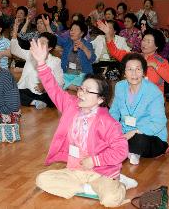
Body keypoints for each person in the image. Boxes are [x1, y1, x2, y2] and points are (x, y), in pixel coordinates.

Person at [30, 38, 129, 208]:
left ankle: (116, 184)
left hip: (100, 173)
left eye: (87, 91)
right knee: (41, 179)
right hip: (75, 171)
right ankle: (87, 189)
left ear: (100, 99)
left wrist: (96, 161)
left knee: (111, 200)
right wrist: (41, 62)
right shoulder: (71, 105)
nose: (81, 93)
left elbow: (122, 151)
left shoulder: (108, 122)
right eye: (81, 88)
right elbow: (53, 88)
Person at [110, 53, 168, 165]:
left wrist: (135, 131)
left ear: (143, 72)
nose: (134, 73)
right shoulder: (120, 86)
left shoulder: (154, 92)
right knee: (104, 131)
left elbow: (159, 122)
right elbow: (114, 111)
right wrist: (113, 128)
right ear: (124, 73)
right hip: (124, 132)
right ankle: (126, 149)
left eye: (138, 69)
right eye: (130, 69)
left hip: (150, 136)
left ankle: (123, 148)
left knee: (139, 140)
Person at [98, 21, 169, 94]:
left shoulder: (161, 62)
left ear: (157, 46)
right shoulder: (134, 57)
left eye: (148, 42)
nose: (144, 43)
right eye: (144, 40)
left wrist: (154, 65)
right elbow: (115, 52)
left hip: (153, 100)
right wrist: (108, 34)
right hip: (133, 98)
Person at [11, 30, 63, 109]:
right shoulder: (30, 53)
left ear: (50, 48)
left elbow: (60, 83)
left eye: (42, 43)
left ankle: (38, 101)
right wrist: (14, 37)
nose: (38, 45)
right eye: (38, 42)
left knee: (55, 98)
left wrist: (45, 87)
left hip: (44, 94)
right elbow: (15, 50)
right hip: (28, 91)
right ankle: (34, 102)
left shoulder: (55, 61)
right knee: (13, 92)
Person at [55, 21, 96, 90]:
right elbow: (56, 39)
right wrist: (47, 26)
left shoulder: (87, 44)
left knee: (62, 83)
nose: (72, 32)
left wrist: (84, 48)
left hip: (81, 74)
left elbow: (92, 59)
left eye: (75, 30)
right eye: (71, 30)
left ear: (82, 33)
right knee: (56, 78)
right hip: (67, 73)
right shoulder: (67, 42)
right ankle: (74, 87)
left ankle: (71, 86)